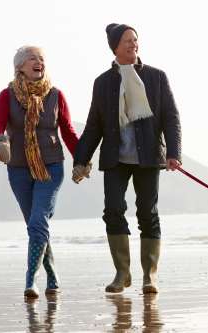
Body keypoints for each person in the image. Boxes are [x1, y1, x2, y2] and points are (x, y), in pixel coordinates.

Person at [73, 24, 182, 294]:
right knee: (113, 210)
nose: (133, 44)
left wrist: (173, 153)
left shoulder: (156, 77)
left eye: (135, 40)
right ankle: (122, 273)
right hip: (115, 158)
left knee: (148, 212)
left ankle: (150, 276)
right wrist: (80, 159)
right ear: (115, 47)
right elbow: (94, 125)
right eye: (126, 41)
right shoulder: (103, 82)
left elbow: (170, 116)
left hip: (147, 157)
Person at [0, 45, 79, 298]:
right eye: (32, 58)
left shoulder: (56, 95)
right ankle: (52, 274)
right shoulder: (7, 96)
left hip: (50, 166)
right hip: (18, 167)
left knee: (39, 220)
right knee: (35, 225)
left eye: (41, 58)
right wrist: (0, 140)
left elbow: (68, 131)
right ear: (20, 66)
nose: (38, 62)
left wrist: (81, 159)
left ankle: (31, 280)